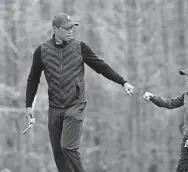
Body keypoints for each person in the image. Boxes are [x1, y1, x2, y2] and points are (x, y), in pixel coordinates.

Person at [25, 13, 134, 172]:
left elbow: (100, 66)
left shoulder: (80, 47)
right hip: (55, 107)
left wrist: (123, 82)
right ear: (55, 29)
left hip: (76, 104)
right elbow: (33, 79)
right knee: (58, 153)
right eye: (67, 28)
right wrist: (29, 106)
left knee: (68, 147)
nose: (71, 31)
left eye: (72, 28)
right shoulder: (41, 51)